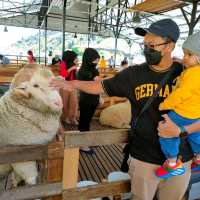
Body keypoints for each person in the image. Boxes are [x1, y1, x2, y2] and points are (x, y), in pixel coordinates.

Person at [50, 19, 200, 200]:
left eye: (152, 45)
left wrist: (181, 131)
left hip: (181, 160)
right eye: (145, 44)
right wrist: (71, 83)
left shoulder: (187, 72)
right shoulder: (133, 74)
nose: (147, 49)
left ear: (170, 46)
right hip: (143, 158)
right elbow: (101, 87)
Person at [156, 31, 200, 179]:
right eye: (184, 54)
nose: (184, 57)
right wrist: (183, 62)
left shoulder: (193, 75)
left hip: (183, 112)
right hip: (196, 114)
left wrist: (165, 104)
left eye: (188, 54)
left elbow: (181, 93)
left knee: (166, 131)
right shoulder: (195, 71)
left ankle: (173, 163)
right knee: (196, 135)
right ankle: (198, 157)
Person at [78, 48, 100, 154]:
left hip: (93, 99)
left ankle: (85, 141)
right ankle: (82, 145)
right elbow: (97, 82)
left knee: (87, 121)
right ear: (89, 59)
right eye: (95, 59)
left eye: (97, 59)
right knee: (84, 121)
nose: (97, 61)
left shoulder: (93, 70)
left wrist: (99, 97)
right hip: (86, 100)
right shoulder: (83, 71)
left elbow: (97, 85)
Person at [59, 50, 79, 125]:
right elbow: (63, 75)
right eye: (75, 57)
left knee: (74, 102)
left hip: (73, 85)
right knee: (64, 102)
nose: (77, 59)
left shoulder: (74, 64)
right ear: (70, 58)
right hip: (64, 85)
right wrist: (71, 68)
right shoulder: (63, 64)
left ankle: (72, 118)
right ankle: (65, 117)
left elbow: (75, 76)